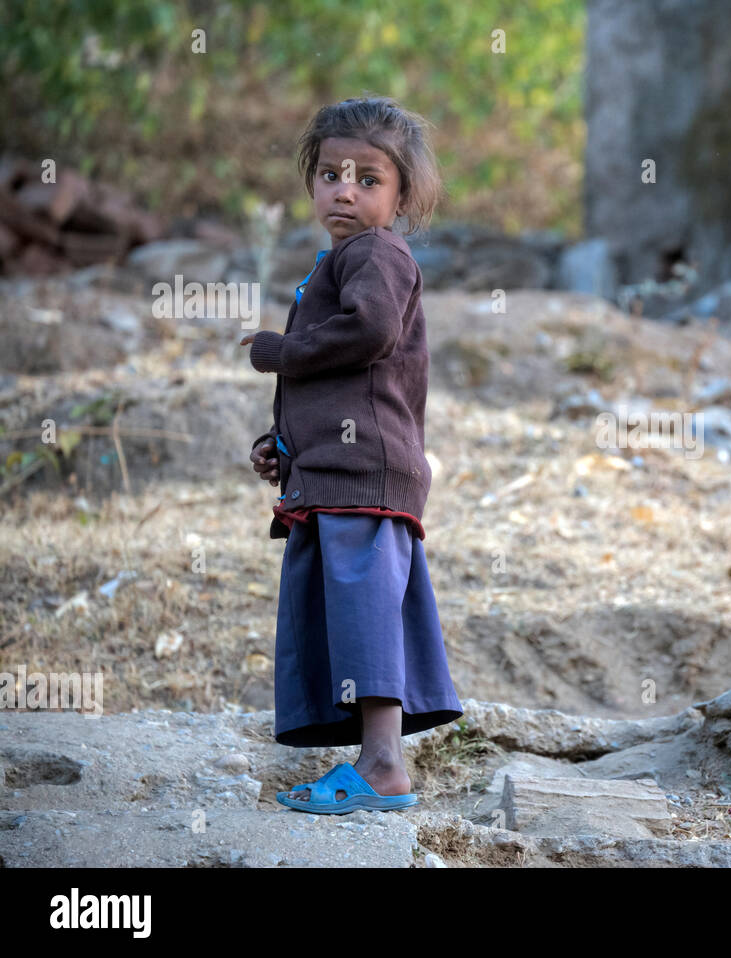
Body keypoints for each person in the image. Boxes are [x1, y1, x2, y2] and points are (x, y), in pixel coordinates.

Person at [240, 96, 462, 813]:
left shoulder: (377, 253)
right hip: (337, 474)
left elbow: (368, 336)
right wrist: (286, 448)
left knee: (366, 607)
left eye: (369, 179)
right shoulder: (343, 258)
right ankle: (373, 760)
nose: (346, 189)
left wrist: (283, 353)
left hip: (364, 473)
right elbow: (346, 382)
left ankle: (383, 765)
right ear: (311, 182)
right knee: (351, 609)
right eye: (331, 173)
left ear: (400, 197)